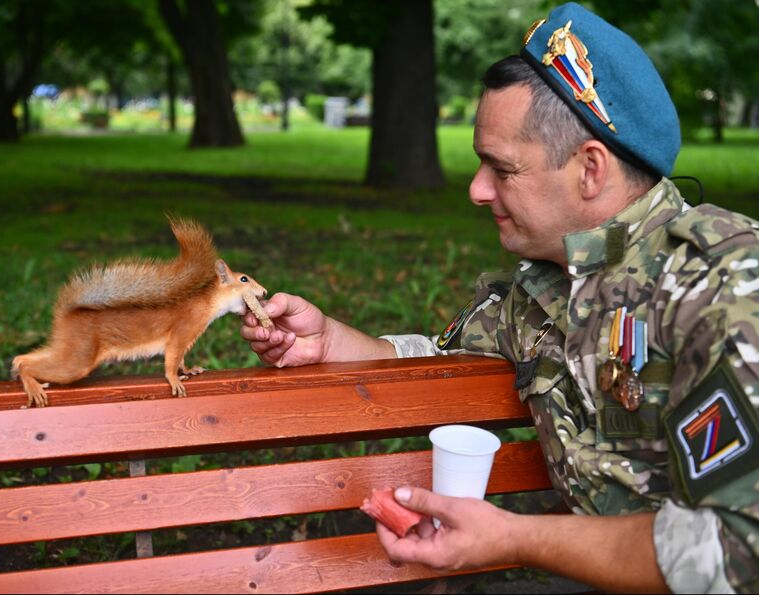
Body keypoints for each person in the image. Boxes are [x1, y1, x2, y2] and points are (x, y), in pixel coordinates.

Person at [241, 3, 759, 593]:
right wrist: (331, 339)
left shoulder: (722, 287)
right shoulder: (548, 285)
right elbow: (439, 361)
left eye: (501, 169)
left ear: (590, 170)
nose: (476, 190)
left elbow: (738, 552)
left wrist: (513, 537)